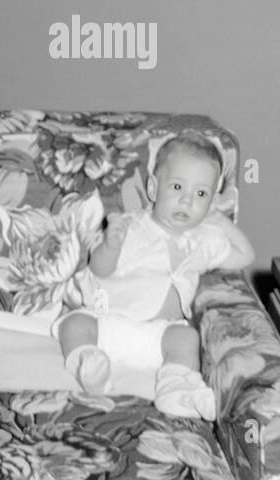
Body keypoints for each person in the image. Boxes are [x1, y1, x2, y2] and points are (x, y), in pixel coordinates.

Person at [55, 132, 254, 419]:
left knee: (187, 339)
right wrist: (111, 244)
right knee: (73, 324)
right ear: (153, 187)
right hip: (111, 325)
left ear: (211, 201)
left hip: (158, 337)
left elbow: (245, 256)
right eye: (177, 187)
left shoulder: (205, 240)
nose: (187, 201)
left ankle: (176, 392)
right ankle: (89, 367)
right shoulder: (133, 227)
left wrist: (219, 219)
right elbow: (100, 268)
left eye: (200, 194)